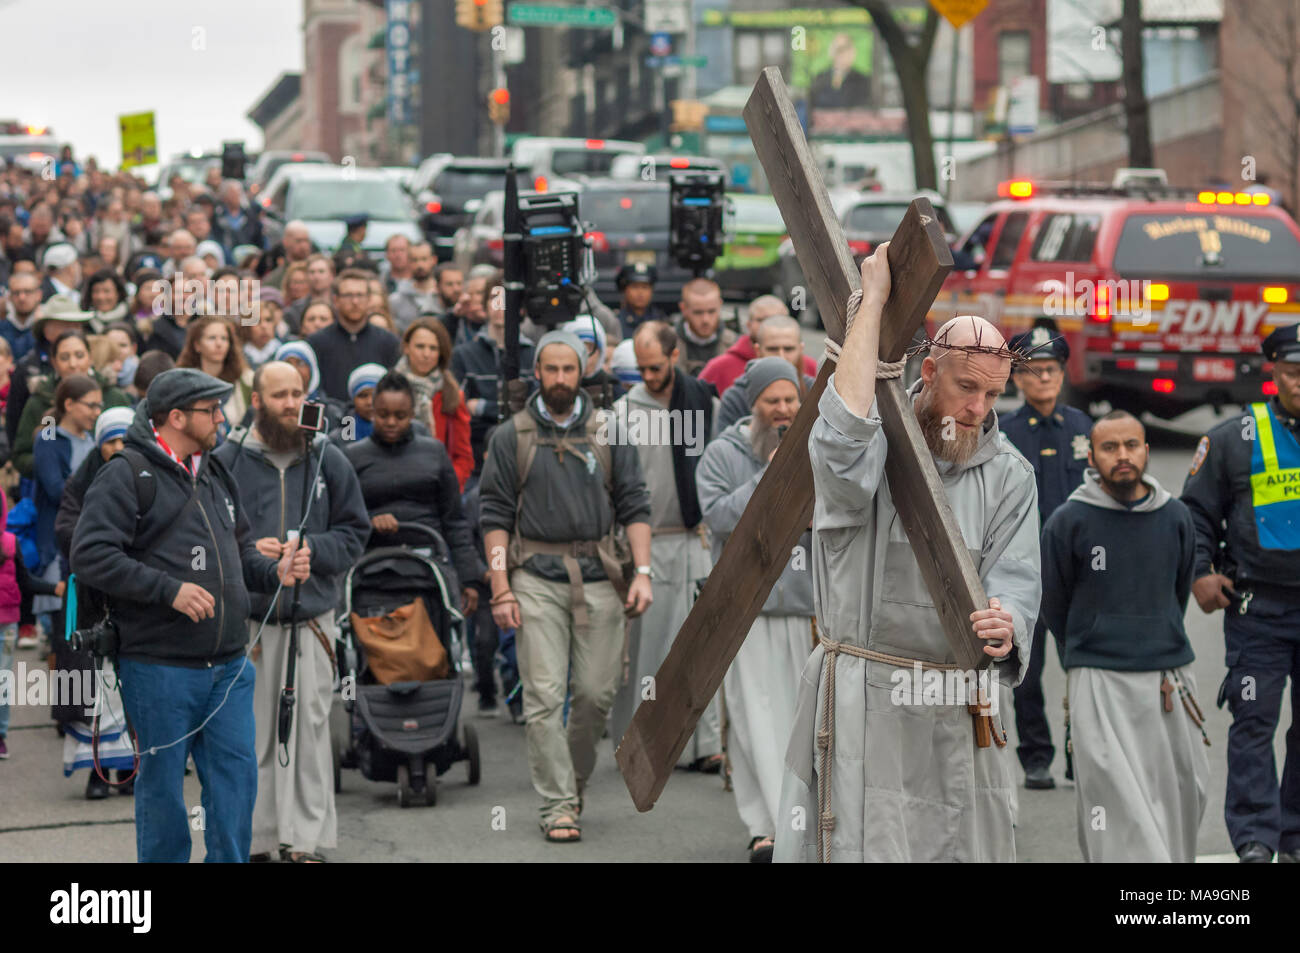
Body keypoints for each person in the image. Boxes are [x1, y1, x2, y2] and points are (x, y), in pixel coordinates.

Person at [774, 247, 1042, 863]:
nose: (978, 409)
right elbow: (841, 439)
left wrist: (1008, 621)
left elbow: (1017, 579)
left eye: (994, 393)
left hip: (955, 704)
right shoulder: (876, 446)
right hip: (866, 699)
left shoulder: (1010, 476)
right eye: (966, 387)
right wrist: (870, 305)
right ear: (928, 374)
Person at [71, 368, 311, 863]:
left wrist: (274, 571)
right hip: (158, 667)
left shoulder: (216, 470)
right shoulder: (126, 473)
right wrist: (169, 590)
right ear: (176, 417)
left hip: (228, 665)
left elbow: (241, 547)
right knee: (161, 795)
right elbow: (90, 556)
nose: (222, 417)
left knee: (235, 789)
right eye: (211, 409)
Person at [479, 329, 653, 843]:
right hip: (534, 578)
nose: (559, 379)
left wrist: (642, 573)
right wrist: (499, 587)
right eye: (550, 369)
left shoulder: (609, 431)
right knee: (543, 696)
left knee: (596, 695)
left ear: (583, 374)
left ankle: (571, 785)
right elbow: (493, 516)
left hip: (601, 577)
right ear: (537, 372)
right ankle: (557, 805)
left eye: (568, 369)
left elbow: (635, 505)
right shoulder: (510, 435)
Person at [215, 361, 369, 863]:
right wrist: (248, 556)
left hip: (311, 621)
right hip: (249, 624)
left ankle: (304, 843)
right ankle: (258, 841)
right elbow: (209, 537)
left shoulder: (330, 458)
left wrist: (315, 553)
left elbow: (353, 532)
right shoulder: (227, 460)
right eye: (278, 394)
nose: (289, 403)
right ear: (256, 400)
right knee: (251, 736)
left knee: (308, 733)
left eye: (297, 393)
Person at [1040, 410, 1206, 861]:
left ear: (1146, 451)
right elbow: (1055, 605)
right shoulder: (1067, 521)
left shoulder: (1175, 516)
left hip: (1167, 679)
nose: (1123, 456)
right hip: (1099, 679)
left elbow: (1177, 591)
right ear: (1092, 457)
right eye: (1110, 448)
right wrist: (1092, 641)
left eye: (1131, 445)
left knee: (1182, 794)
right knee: (1113, 805)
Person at [1181, 323, 1300, 863]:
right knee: (1254, 722)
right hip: (1258, 608)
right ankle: (1256, 838)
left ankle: (1294, 833)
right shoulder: (1234, 438)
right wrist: (1199, 572)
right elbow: (1196, 515)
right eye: (1295, 371)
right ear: (1274, 371)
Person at [696, 356, 813, 862]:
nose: (784, 410)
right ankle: (764, 826)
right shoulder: (722, 455)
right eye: (774, 402)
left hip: (803, 608)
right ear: (753, 405)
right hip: (746, 611)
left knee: (796, 721)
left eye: (791, 400)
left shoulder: (814, 446)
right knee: (753, 721)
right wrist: (767, 475)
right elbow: (719, 518)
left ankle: (800, 821)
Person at [607, 321, 721, 768]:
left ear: (675, 357)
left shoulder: (701, 401)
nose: (648, 377)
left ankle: (702, 744)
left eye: (655, 367)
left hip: (693, 539)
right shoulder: (620, 414)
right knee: (645, 652)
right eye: (642, 368)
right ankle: (642, 743)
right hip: (645, 545)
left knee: (698, 647)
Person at [998, 324, 1093, 790]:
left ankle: (1080, 754)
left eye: (1051, 370)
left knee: (1083, 668)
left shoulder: (1083, 428)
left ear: (1062, 373)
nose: (1043, 380)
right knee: (1027, 674)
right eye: (1034, 372)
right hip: (1025, 572)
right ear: (1018, 377)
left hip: (1076, 574)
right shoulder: (1004, 431)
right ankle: (1036, 756)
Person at [51, 405, 133, 796]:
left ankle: (129, 769)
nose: (119, 447)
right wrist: (98, 546)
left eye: (126, 440)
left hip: (131, 595)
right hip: (89, 599)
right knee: (92, 684)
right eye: (111, 441)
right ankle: (96, 770)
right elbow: (65, 526)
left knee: (129, 683)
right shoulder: (80, 483)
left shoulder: (143, 480)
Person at [343, 372, 482, 595]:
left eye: (400, 416)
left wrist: (469, 580)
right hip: (370, 568)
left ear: (412, 414)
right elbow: (343, 519)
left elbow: (454, 521)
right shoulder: (352, 456)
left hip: (429, 565)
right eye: (383, 415)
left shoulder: (435, 452)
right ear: (373, 413)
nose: (391, 422)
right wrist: (370, 521)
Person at [451, 271, 536, 482]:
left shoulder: (533, 355)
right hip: (475, 460)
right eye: (493, 298)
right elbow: (460, 412)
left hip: (526, 456)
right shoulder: (463, 355)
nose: (500, 306)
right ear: (485, 305)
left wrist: (481, 407)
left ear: (521, 308)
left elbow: (533, 410)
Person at [13, 329, 132, 478]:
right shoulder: (41, 402)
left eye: (79, 355)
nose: (73, 364)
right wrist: (51, 466)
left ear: (90, 358)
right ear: (54, 362)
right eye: (64, 357)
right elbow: (22, 455)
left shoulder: (113, 397)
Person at [395, 318, 473, 490]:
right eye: (420, 346)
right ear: (407, 348)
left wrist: (448, 484)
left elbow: (463, 456)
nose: (426, 354)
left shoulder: (451, 394)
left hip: (437, 485)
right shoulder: (390, 388)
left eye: (433, 348)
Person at [307, 269, 400, 401]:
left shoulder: (389, 342)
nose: (355, 301)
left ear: (368, 299)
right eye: (348, 295)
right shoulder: (317, 342)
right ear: (336, 300)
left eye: (360, 295)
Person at [715, 315, 815, 433]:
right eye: (772, 349)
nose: (781, 356)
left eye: (788, 349)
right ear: (758, 350)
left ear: (800, 349)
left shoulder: (815, 392)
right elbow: (728, 448)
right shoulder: (736, 397)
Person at [699, 294, 815, 394]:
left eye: (777, 319)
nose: (770, 325)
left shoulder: (810, 367)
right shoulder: (720, 367)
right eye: (761, 320)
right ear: (748, 325)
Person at [672, 277, 734, 376]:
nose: (705, 319)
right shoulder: (668, 345)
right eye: (698, 312)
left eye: (711, 311)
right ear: (683, 309)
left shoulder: (734, 345)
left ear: (720, 305)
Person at [563, 315, 624, 411]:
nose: (587, 354)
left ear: (601, 352)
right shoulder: (558, 384)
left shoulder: (612, 386)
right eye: (580, 347)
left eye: (592, 348)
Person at [388, 242, 440, 332]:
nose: (419, 265)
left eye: (424, 259)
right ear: (408, 262)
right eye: (414, 260)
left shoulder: (444, 294)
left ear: (434, 260)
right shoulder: (396, 300)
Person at [614, 262, 666, 339]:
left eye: (645, 287)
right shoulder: (616, 321)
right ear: (625, 290)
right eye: (634, 287)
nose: (640, 293)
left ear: (652, 290)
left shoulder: (661, 321)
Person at [284, 255, 335, 333]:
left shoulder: (340, 306)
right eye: (312, 272)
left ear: (332, 275)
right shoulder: (294, 311)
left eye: (321, 271)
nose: (316, 276)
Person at [337, 363, 386, 444]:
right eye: (363, 396)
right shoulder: (339, 439)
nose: (370, 402)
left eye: (376, 395)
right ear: (353, 399)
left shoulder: (400, 435)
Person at [3, 269, 43, 360]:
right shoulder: (2, 327)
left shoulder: (46, 326)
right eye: (16, 293)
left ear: (39, 295)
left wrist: (39, 327)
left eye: (27, 291)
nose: (22, 297)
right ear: (9, 297)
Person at [263, 222, 314, 290]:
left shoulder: (317, 274)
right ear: (285, 242)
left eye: (306, 240)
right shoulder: (273, 280)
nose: (304, 246)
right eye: (298, 241)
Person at [242, 289, 284, 369]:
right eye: (257, 321)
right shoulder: (238, 356)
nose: (264, 326)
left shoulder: (283, 353)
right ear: (246, 327)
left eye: (268, 320)